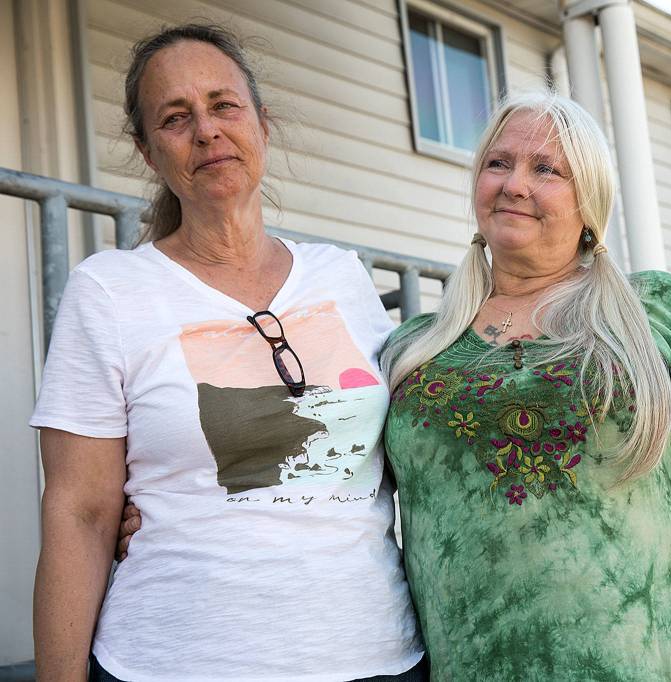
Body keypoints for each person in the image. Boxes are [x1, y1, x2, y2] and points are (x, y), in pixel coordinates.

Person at [30, 24, 425, 681]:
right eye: (176, 117)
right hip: (172, 661)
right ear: (148, 151)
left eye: (224, 105)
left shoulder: (342, 276)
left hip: (374, 655)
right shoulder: (109, 292)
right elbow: (80, 512)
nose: (207, 131)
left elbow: (404, 452)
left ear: (262, 125)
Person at [377, 92, 671, 680]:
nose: (514, 184)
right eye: (497, 163)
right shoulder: (413, 348)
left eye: (546, 169)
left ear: (589, 200)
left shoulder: (654, 312)